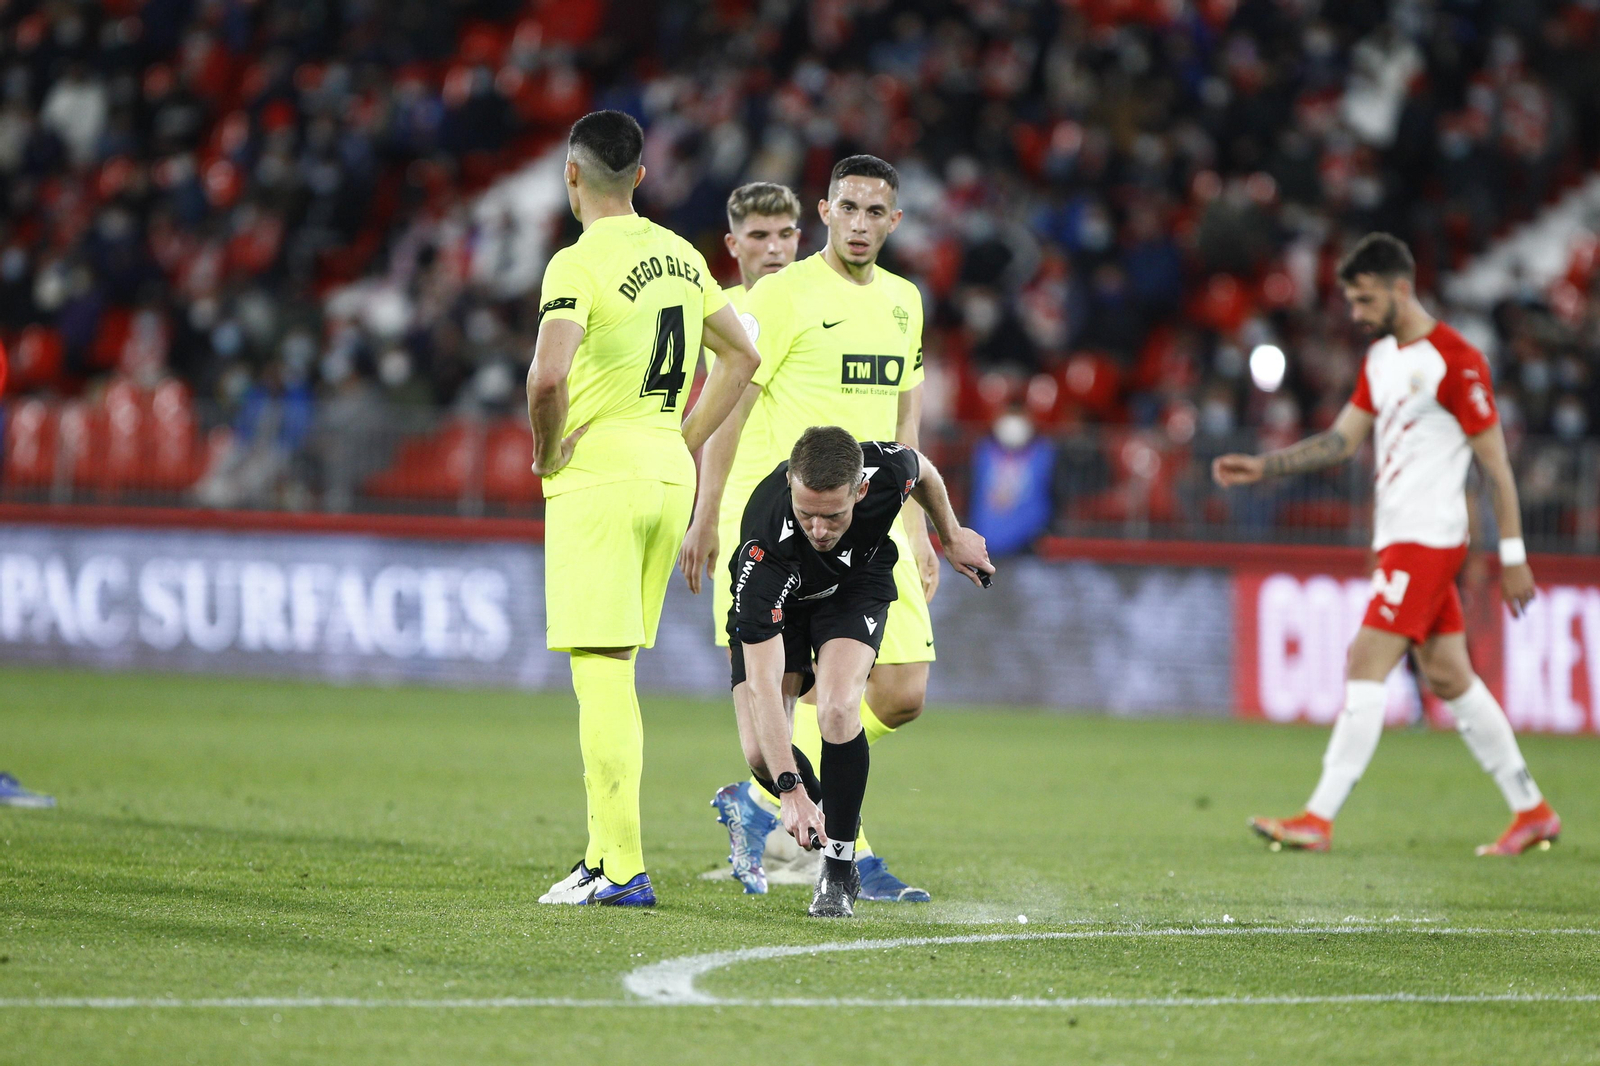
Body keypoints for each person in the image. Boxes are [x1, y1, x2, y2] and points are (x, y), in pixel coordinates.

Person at [1213, 232, 1561, 856]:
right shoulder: (1381, 360)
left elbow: (1496, 467)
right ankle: (1531, 809)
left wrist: (1513, 557)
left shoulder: (1456, 360)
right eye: (1351, 301)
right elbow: (1342, 441)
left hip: (1431, 540)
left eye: (1366, 299)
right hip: (1401, 539)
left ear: (1402, 287)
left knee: (1364, 661)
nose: (1357, 313)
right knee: (1450, 677)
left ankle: (1318, 818)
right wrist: (1265, 468)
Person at [680, 159, 940, 901]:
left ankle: (761, 805)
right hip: (793, 530)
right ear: (828, 210)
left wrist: (920, 528)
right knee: (793, 700)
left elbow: (907, 421)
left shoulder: (903, 301)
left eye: (875, 211)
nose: (859, 223)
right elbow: (729, 406)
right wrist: (706, 513)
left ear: (895, 220)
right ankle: (844, 849)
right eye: (848, 208)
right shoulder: (782, 298)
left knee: (902, 694)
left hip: (876, 526)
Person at [531, 110, 761, 907]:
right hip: (666, 476)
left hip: (600, 478)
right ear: (639, 177)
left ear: (572, 175)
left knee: (598, 672)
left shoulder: (576, 263)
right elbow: (743, 357)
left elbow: (546, 379)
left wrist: (544, 451)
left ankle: (624, 868)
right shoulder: (682, 256)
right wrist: (681, 437)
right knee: (616, 667)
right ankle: (601, 856)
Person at [727, 427, 993, 916]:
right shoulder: (762, 551)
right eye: (806, 513)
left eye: (833, 515)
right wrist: (790, 790)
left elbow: (925, 469)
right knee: (760, 755)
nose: (820, 529)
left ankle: (839, 867)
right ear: (790, 482)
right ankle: (820, 812)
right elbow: (765, 689)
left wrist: (950, 536)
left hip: (853, 588)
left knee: (836, 708)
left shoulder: (887, 472)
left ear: (862, 490)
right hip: (785, 601)